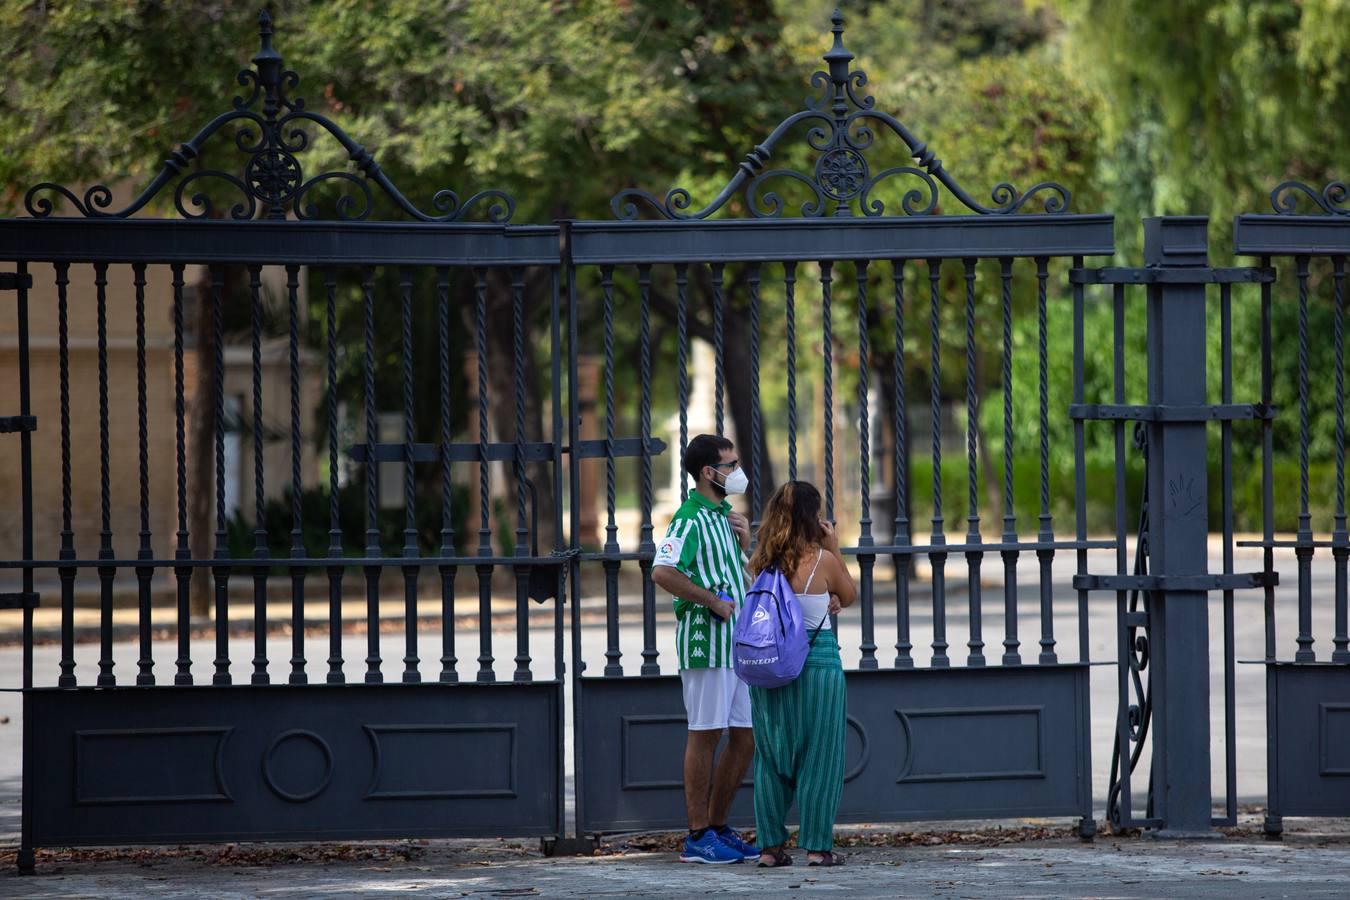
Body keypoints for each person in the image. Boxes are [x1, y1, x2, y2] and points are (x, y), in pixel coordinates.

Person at [650, 434, 759, 864]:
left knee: (746, 737)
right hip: (706, 642)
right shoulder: (689, 519)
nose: (738, 472)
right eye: (731, 465)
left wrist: (745, 543)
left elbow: (731, 571)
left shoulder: (725, 517)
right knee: (706, 734)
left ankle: (717, 826)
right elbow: (662, 571)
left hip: (739, 647)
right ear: (708, 473)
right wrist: (711, 600)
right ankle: (697, 835)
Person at [745, 480, 856, 868]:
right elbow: (850, 592)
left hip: (769, 663)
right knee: (819, 756)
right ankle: (816, 848)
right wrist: (834, 548)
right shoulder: (822, 561)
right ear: (813, 517)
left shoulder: (761, 560)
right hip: (817, 663)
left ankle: (770, 849)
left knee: (771, 758)